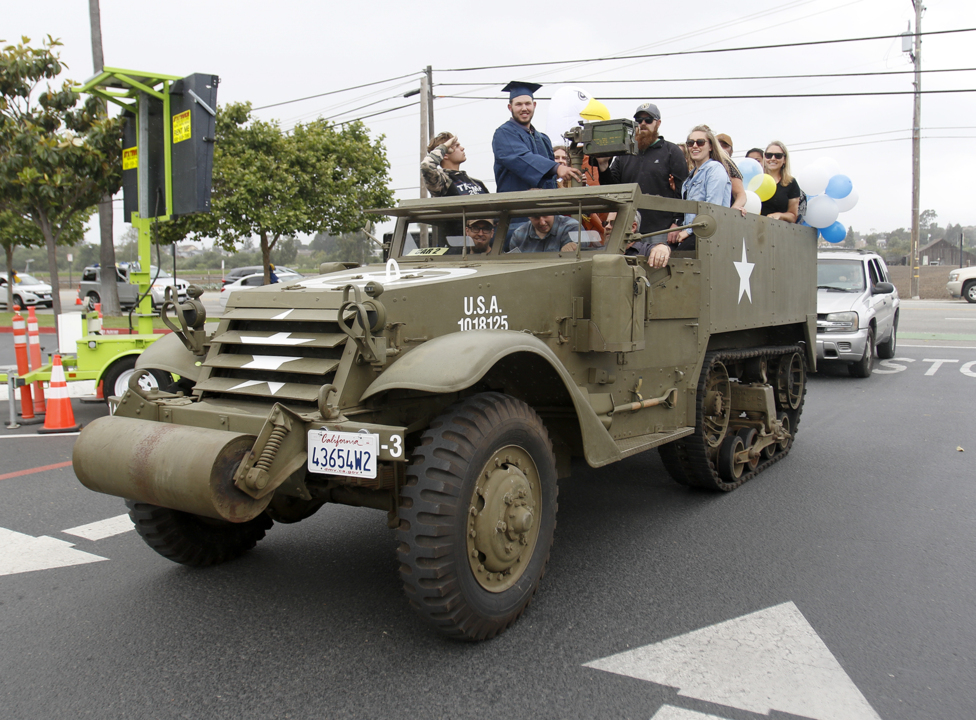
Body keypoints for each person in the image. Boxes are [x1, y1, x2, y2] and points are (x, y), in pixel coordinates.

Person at [596, 102, 688, 235]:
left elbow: (682, 189)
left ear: (658, 123)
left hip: (662, 229)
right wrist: (603, 166)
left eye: (648, 119)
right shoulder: (624, 153)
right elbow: (612, 189)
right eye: (639, 120)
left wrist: (677, 222)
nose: (643, 123)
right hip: (628, 229)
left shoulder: (671, 151)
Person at [492, 81, 581, 194]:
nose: (524, 108)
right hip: (515, 201)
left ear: (534, 105)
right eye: (519, 104)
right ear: (510, 107)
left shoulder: (543, 139)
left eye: (527, 104)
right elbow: (521, 158)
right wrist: (557, 168)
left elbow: (551, 180)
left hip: (544, 201)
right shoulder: (504, 133)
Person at [668, 125, 732, 251]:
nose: (695, 146)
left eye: (700, 142)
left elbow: (712, 207)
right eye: (690, 143)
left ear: (711, 146)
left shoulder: (715, 169)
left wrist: (689, 231)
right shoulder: (691, 176)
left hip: (708, 234)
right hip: (693, 233)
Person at [421, 133, 489, 197]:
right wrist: (444, 147)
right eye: (456, 146)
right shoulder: (442, 181)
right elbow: (426, 165)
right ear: (445, 154)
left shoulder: (477, 183)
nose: (462, 148)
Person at [761, 141, 801, 223]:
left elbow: (793, 216)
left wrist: (779, 215)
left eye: (778, 156)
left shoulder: (791, 183)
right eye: (768, 155)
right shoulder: (757, 179)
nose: (773, 158)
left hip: (778, 228)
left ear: (784, 159)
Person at [509, 214, 582, 253]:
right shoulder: (519, 234)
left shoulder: (572, 228)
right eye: (536, 217)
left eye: (545, 215)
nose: (542, 223)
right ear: (529, 217)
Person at [716, 133, 747, 213]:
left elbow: (740, 194)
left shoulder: (730, 165)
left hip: (723, 213)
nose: (721, 149)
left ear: (731, 151)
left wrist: (734, 209)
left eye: (725, 146)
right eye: (718, 145)